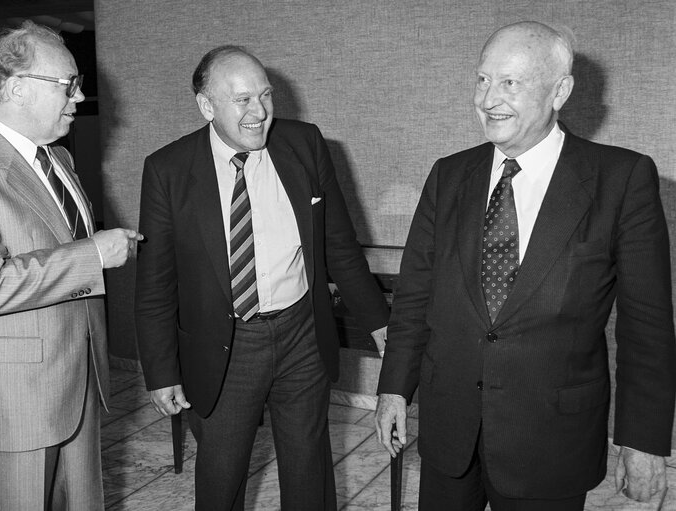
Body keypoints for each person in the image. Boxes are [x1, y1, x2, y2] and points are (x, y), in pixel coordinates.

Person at [375, 21, 676, 511]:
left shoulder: (621, 179)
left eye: (510, 83)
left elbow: (648, 326)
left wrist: (642, 441)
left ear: (560, 91)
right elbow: (415, 297)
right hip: (450, 429)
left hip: (550, 440)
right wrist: (392, 389)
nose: (488, 98)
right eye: (482, 79)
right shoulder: (448, 175)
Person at [135, 45, 389, 511]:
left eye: (266, 96)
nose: (260, 112)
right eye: (243, 100)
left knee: (309, 467)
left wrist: (380, 324)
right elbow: (154, 285)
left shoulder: (304, 144)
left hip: (301, 335)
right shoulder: (168, 170)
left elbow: (339, 247)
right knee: (222, 474)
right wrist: (161, 370)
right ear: (207, 106)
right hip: (226, 344)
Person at [0, 21, 142, 510]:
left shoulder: (58, 158)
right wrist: (95, 255)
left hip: (78, 375)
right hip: (17, 398)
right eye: (68, 84)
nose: (79, 97)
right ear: (17, 88)